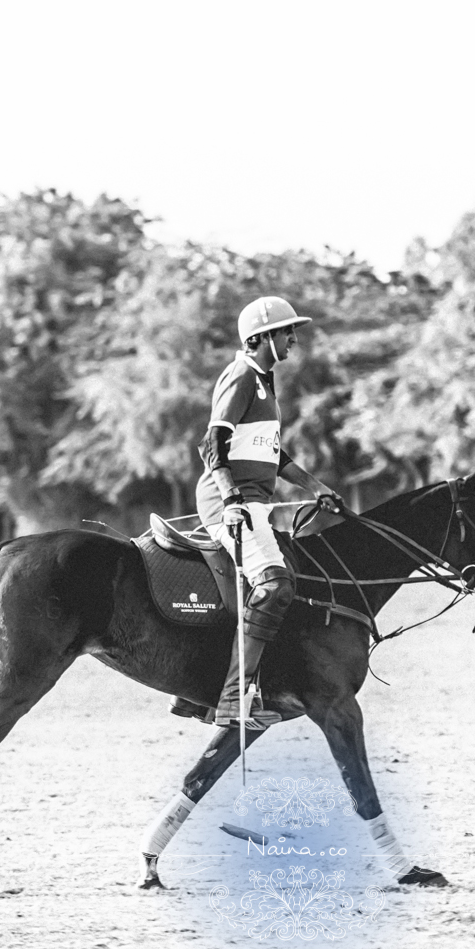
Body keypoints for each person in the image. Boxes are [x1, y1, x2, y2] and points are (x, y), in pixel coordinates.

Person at [194, 295, 342, 730]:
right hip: (230, 503)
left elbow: (274, 457)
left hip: (255, 501)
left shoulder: (265, 383)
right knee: (275, 585)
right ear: (260, 338)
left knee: (286, 579)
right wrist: (233, 500)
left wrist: (318, 488)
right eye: (286, 332)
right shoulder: (241, 376)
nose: (293, 339)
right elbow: (212, 446)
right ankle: (230, 699)